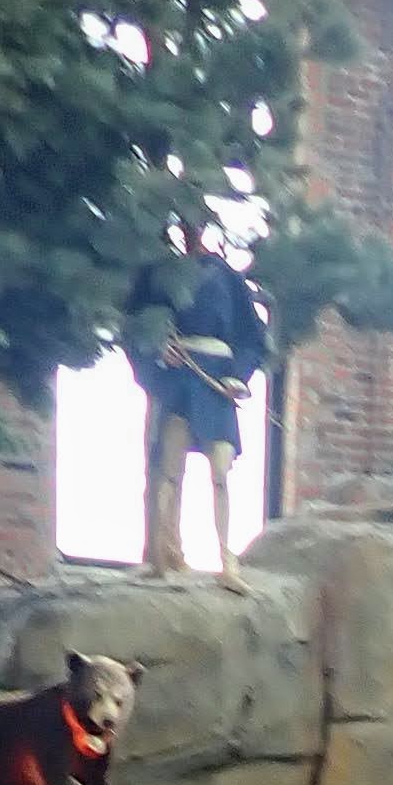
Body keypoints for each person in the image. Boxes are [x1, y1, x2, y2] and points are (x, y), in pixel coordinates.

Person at [127, 231, 272, 585]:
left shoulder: (227, 276)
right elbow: (136, 330)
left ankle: (227, 560)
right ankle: (162, 555)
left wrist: (238, 376)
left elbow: (252, 338)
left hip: (217, 382)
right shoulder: (158, 273)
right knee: (169, 471)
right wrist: (158, 352)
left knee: (221, 471)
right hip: (179, 381)